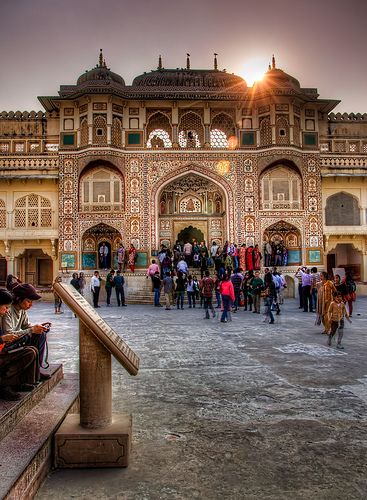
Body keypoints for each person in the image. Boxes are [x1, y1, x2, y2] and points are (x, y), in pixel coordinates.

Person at [2, 284, 51, 378]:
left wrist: (39, 327)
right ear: (19, 299)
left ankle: (36, 370)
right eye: (28, 301)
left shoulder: (22, 310)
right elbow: (8, 334)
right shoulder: (8, 310)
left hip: (17, 338)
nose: (30, 305)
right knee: (33, 343)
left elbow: (27, 327)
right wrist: (32, 330)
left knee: (41, 334)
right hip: (7, 342)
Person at [0, 289, 40, 401]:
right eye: (6, 307)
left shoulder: (2, 315)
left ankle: (19, 382)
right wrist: (2, 339)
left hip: (3, 349)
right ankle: (4, 385)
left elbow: (27, 326)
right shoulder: (5, 315)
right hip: (2, 352)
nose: (7, 310)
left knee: (31, 350)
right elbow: (6, 334)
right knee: (29, 352)